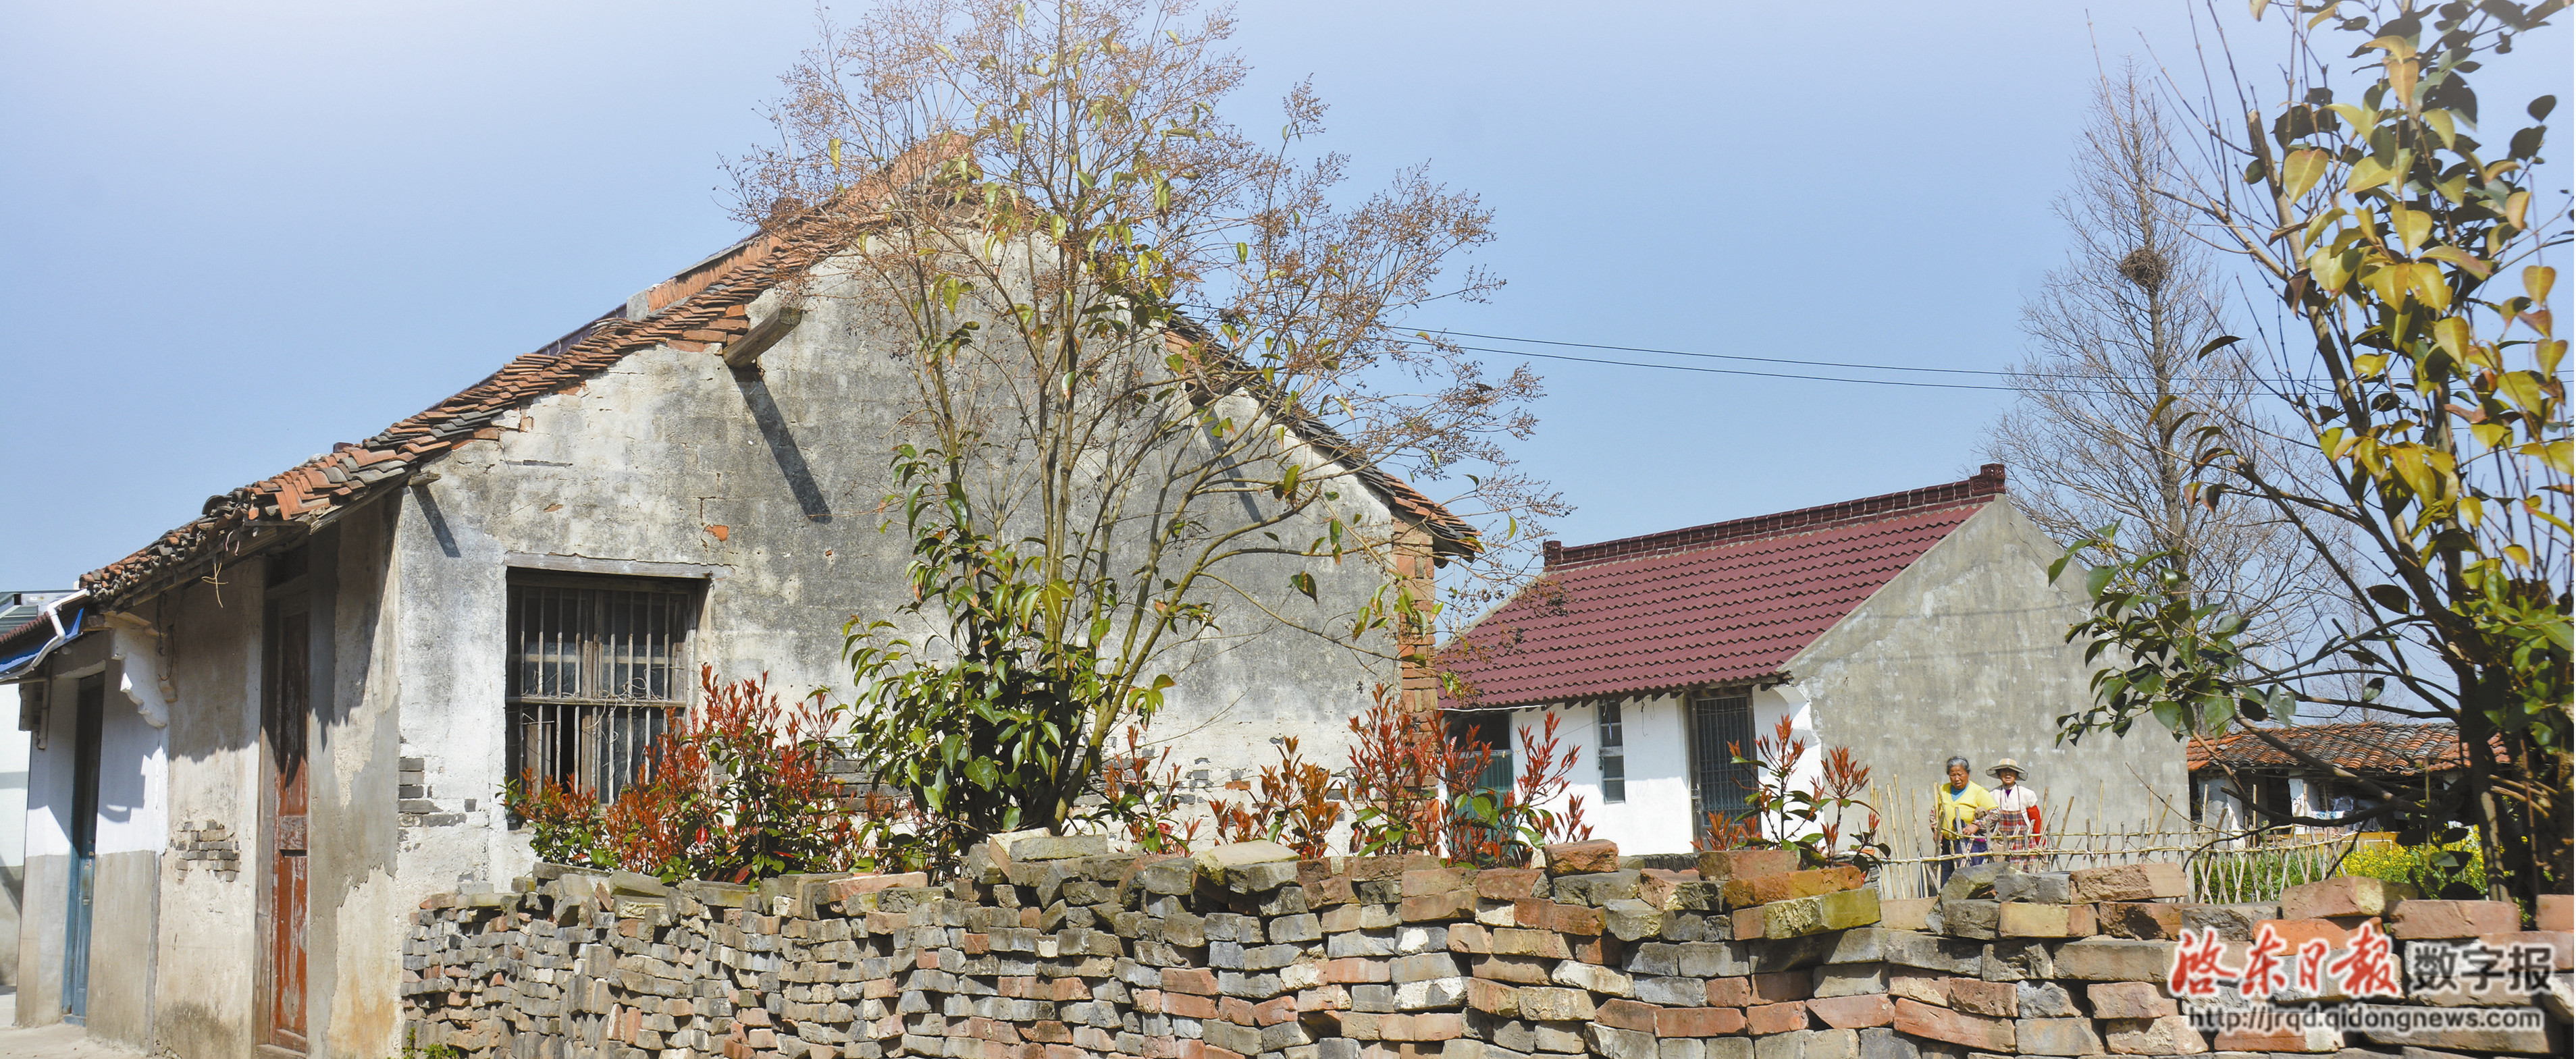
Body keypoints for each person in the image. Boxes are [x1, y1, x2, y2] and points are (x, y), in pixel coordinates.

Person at [1928, 757, 1994, 883]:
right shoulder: (1943, 790)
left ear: (1967, 774)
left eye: (1960, 774)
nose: (1956, 778)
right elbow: (1934, 812)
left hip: (1969, 845)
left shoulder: (1978, 791)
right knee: (1946, 880)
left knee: (1968, 880)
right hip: (1948, 843)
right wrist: (1936, 829)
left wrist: (1976, 825)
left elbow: (1995, 813)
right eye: (1953, 775)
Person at [1978, 758, 2045, 867]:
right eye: (2004, 771)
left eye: (2011, 772)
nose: (2008, 774)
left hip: (2023, 841)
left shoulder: (2027, 794)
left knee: (2026, 871)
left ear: (2016, 775)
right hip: (2001, 841)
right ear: (1999, 775)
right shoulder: (1993, 794)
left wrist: (2040, 841)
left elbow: (2036, 819)